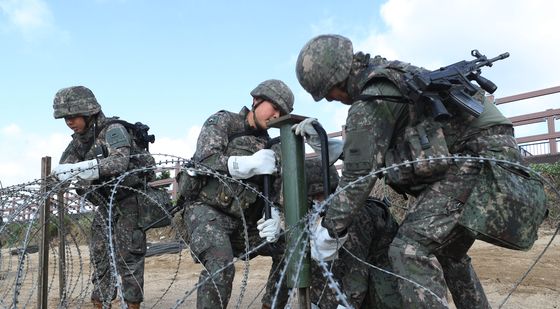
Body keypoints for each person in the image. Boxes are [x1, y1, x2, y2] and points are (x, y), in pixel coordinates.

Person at [293, 34, 546, 309]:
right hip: (488, 152)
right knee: (449, 252)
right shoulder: (389, 76)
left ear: (336, 78)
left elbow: (357, 176)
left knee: (408, 249)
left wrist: (330, 230)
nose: (331, 100)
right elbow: (387, 150)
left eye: (328, 93)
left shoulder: (371, 97)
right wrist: (345, 147)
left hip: (476, 157)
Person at [182, 79, 293, 309]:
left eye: (282, 112)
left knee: (291, 248)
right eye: (275, 107)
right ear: (256, 100)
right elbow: (204, 160)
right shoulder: (225, 122)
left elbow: (274, 189)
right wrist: (245, 164)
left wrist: (273, 214)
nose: (277, 115)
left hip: (245, 223)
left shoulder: (271, 146)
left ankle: (271, 305)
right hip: (206, 212)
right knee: (221, 266)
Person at [51, 86, 154, 309]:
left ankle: (132, 304)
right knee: (100, 256)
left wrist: (80, 169)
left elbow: (119, 161)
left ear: (89, 112)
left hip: (128, 201)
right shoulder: (79, 141)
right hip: (104, 204)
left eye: (73, 116)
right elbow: (62, 171)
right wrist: (53, 182)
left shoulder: (113, 130)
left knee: (129, 258)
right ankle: (102, 302)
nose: (69, 122)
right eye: (65, 118)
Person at [305, 157, 401, 309]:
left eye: (318, 194)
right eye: (312, 197)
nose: (315, 200)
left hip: (380, 288)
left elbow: (356, 270)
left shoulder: (352, 215)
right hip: (354, 282)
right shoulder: (319, 214)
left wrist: (346, 305)